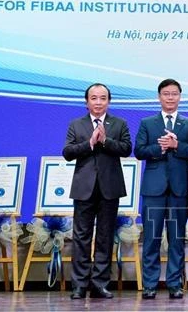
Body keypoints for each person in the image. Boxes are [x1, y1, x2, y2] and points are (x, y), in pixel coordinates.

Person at [63, 83, 132, 300]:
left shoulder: (119, 124)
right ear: (87, 102)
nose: (98, 102)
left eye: (103, 98)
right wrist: (90, 144)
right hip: (84, 189)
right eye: (94, 98)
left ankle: (100, 284)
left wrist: (105, 141)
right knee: (81, 237)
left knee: (104, 237)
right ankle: (79, 285)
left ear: (108, 102)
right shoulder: (77, 125)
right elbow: (67, 152)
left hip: (109, 189)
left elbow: (126, 149)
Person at [134, 79, 188, 300]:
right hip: (153, 190)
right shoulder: (147, 122)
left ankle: (174, 284)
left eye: (174, 94)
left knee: (176, 238)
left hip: (179, 190)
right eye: (166, 94)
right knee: (151, 238)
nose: (170, 98)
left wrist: (177, 145)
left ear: (180, 97)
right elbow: (139, 151)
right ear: (159, 97)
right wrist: (160, 147)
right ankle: (150, 284)